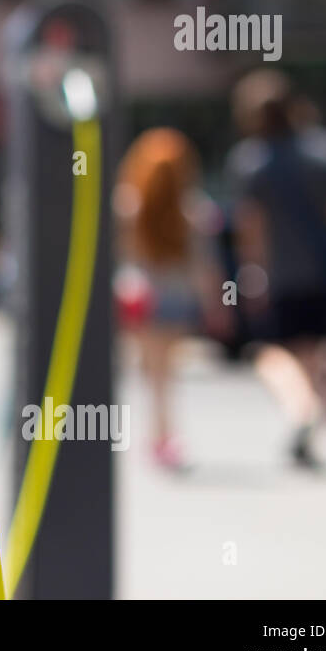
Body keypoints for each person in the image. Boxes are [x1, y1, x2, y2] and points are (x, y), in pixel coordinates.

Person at [226, 70, 326, 467]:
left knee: (270, 353)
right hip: (325, 271)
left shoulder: (250, 162)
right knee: (315, 351)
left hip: (281, 274)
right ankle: (310, 421)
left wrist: (252, 274)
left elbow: (252, 228)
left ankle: (303, 410)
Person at [115, 128, 226, 471]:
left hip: (142, 297)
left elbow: (120, 257)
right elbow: (205, 265)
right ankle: (165, 434)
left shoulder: (127, 205)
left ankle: (159, 433)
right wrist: (217, 304)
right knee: (167, 371)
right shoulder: (194, 209)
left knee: (153, 370)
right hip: (177, 298)